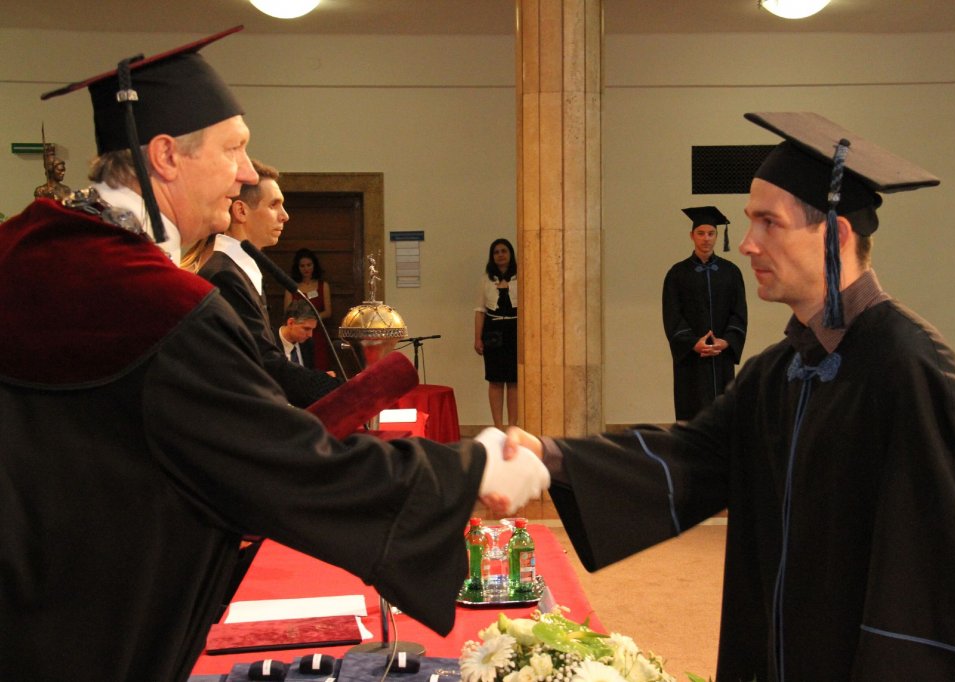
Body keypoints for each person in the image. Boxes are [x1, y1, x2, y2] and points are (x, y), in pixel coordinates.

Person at [0, 28, 549, 682]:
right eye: (234, 148)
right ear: (166, 155)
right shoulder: (162, 306)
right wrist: (469, 470)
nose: (246, 174)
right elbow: (288, 464)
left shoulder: (23, 253)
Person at [498, 112, 955, 680]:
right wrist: (549, 457)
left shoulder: (914, 373)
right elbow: (692, 456)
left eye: (769, 223)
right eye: (748, 223)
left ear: (834, 235)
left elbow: (940, 593)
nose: (746, 244)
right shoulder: (777, 373)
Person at [198, 159, 342, 407]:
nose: (285, 216)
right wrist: (334, 388)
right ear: (241, 211)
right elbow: (261, 362)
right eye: (274, 205)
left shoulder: (239, 268)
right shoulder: (224, 274)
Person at [661, 205, 747, 420]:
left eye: (711, 233)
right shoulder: (677, 274)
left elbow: (739, 312)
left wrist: (726, 341)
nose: (706, 238)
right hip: (692, 357)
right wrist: (692, 342)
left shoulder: (731, 272)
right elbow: (672, 314)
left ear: (717, 236)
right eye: (701, 233)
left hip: (721, 355)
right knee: (692, 408)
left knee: (723, 411)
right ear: (692, 236)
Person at [474, 238, 518, 428]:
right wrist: (477, 338)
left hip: (515, 330)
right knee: (495, 380)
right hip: (493, 331)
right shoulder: (486, 279)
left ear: (510, 254)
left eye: (504, 251)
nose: (500, 255)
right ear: (492, 256)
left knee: (514, 381)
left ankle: (513, 426)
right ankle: (498, 426)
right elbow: (480, 311)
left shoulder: (520, 277)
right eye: (496, 252)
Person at [284, 247, 333, 371]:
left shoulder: (323, 285)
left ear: (314, 266)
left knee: (320, 366)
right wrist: (302, 322)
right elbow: (287, 313)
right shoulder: (291, 288)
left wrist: (310, 320)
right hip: (298, 333)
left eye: (309, 265)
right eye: (302, 266)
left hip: (317, 333)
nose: (306, 269)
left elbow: (328, 311)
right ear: (298, 268)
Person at [281, 299, 318, 366]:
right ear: (291, 323)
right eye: (306, 329)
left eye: (312, 329)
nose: (310, 335)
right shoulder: (270, 342)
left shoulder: (308, 344)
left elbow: (310, 371)